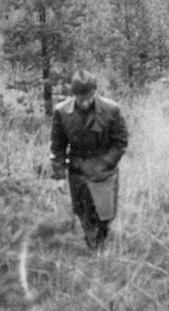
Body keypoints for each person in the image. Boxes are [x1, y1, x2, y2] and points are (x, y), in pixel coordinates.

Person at [49, 71, 128, 249]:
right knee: (83, 212)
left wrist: (105, 164)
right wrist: (59, 176)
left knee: (105, 214)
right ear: (74, 94)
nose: (84, 101)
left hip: (104, 169)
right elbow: (57, 146)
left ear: (94, 93)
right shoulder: (62, 112)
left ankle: (101, 238)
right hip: (78, 169)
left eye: (88, 96)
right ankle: (94, 246)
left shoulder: (111, 109)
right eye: (80, 97)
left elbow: (120, 143)